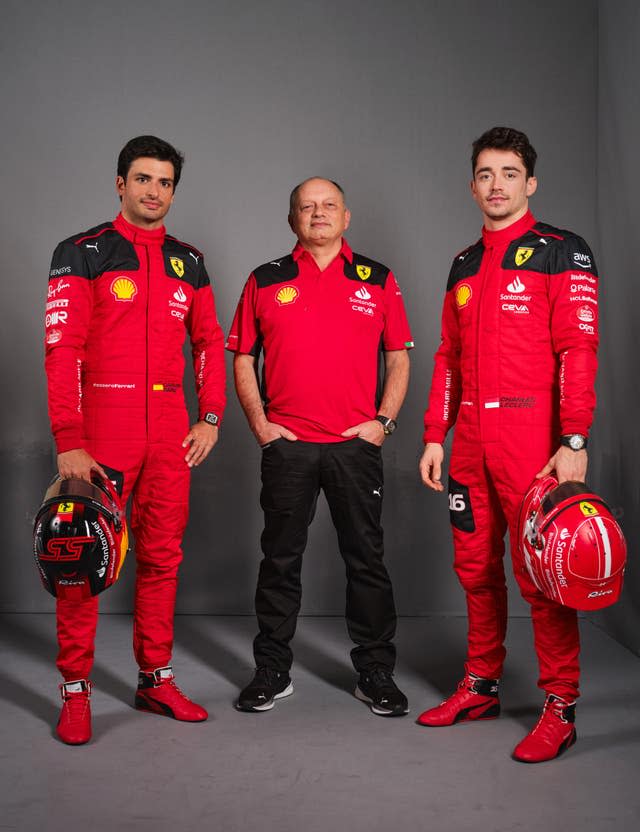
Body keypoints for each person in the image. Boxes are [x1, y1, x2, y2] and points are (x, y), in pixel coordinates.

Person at [417, 127, 599, 763]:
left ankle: (560, 706)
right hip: (468, 440)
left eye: (509, 173)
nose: (497, 185)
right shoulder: (464, 265)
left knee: (542, 576)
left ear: (531, 182)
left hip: (532, 441)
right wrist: (434, 435)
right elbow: (447, 357)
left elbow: (579, 350)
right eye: (486, 174)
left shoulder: (562, 252)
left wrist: (574, 438)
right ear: (472, 186)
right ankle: (481, 684)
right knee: (474, 569)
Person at [44, 135, 226, 744]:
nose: (154, 191)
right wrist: (70, 437)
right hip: (101, 433)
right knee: (80, 562)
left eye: (165, 182)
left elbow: (208, 343)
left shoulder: (189, 262)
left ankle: (155, 679)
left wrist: (211, 416)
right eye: (143, 179)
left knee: (162, 559)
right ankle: (75, 690)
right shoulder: (82, 252)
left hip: (170, 432)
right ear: (120, 184)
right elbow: (61, 347)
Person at [226, 177, 413, 716]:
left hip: (356, 446)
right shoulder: (266, 279)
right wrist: (261, 424)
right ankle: (271, 671)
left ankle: (375, 672)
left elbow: (398, 356)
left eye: (329, 205)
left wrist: (383, 422)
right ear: (293, 221)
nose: (318, 213)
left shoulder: (376, 279)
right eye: (306, 207)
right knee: (280, 560)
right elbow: (242, 357)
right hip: (289, 446)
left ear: (346, 217)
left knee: (367, 561)